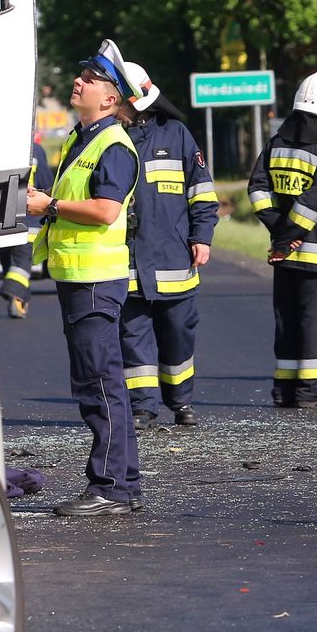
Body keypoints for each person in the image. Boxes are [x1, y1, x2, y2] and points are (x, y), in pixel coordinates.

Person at [27, 39, 143, 516]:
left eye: (90, 80)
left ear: (111, 97)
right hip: (78, 278)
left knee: (101, 385)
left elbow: (106, 209)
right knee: (94, 384)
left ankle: (112, 488)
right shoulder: (82, 137)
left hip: (96, 280)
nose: (79, 82)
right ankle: (120, 484)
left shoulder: (114, 145)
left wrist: (50, 205)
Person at [117, 61, 218, 429]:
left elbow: (203, 194)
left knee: (177, 336)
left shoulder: (176, 135)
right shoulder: (111, 138)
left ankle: (181, 401)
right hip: (126, 262)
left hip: (174, 260)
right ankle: (142, 406)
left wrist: (201, 237)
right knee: (133, 337)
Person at [247, 70, 317, 408]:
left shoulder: (276, 143)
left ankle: (285, 389)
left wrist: (278, 230)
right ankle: (313, 390)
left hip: (284, 254)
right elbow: (314, 201)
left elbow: (258, 190)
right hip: (316, 251)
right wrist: (290, 234)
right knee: (316, 320)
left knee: (287, 319)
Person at [0, 139, 55, 317]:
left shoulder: (0, 150)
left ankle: (19, 296)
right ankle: (16, 295)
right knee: (20, 264)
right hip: (29, 219)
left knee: (10, 263)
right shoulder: (36, 150)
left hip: (2, 220)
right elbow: (48, 183)